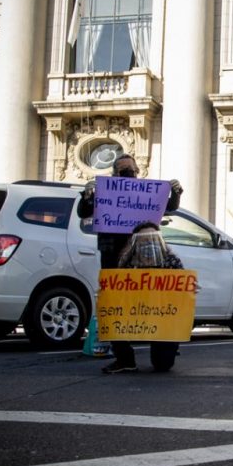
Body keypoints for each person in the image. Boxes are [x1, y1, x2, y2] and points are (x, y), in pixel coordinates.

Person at [77, 154, 182, 374]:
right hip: (113, 257)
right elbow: (84, 212)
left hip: (146, 259)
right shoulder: (104, 191)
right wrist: (88, 195)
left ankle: (162, 350)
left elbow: (168, 208)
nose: (128, 174)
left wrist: (176, 193)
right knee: (114, 307)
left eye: (132, 170)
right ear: (115, 173)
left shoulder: (146, 192)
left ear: (138, 172)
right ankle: (125, 358)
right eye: (123, 170)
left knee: (153, 305)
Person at [110, 222, 191, 372]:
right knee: (110, 315)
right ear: (135, 243)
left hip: (163, 317)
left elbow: (182, 291)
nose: (149, 244)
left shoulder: (171, 261)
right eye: (144, 241)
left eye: (152, 239)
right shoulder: (127, 263)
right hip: (136, 314)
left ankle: (169, 348)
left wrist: (189, 289)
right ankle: (125, 359)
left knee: (163, 365)